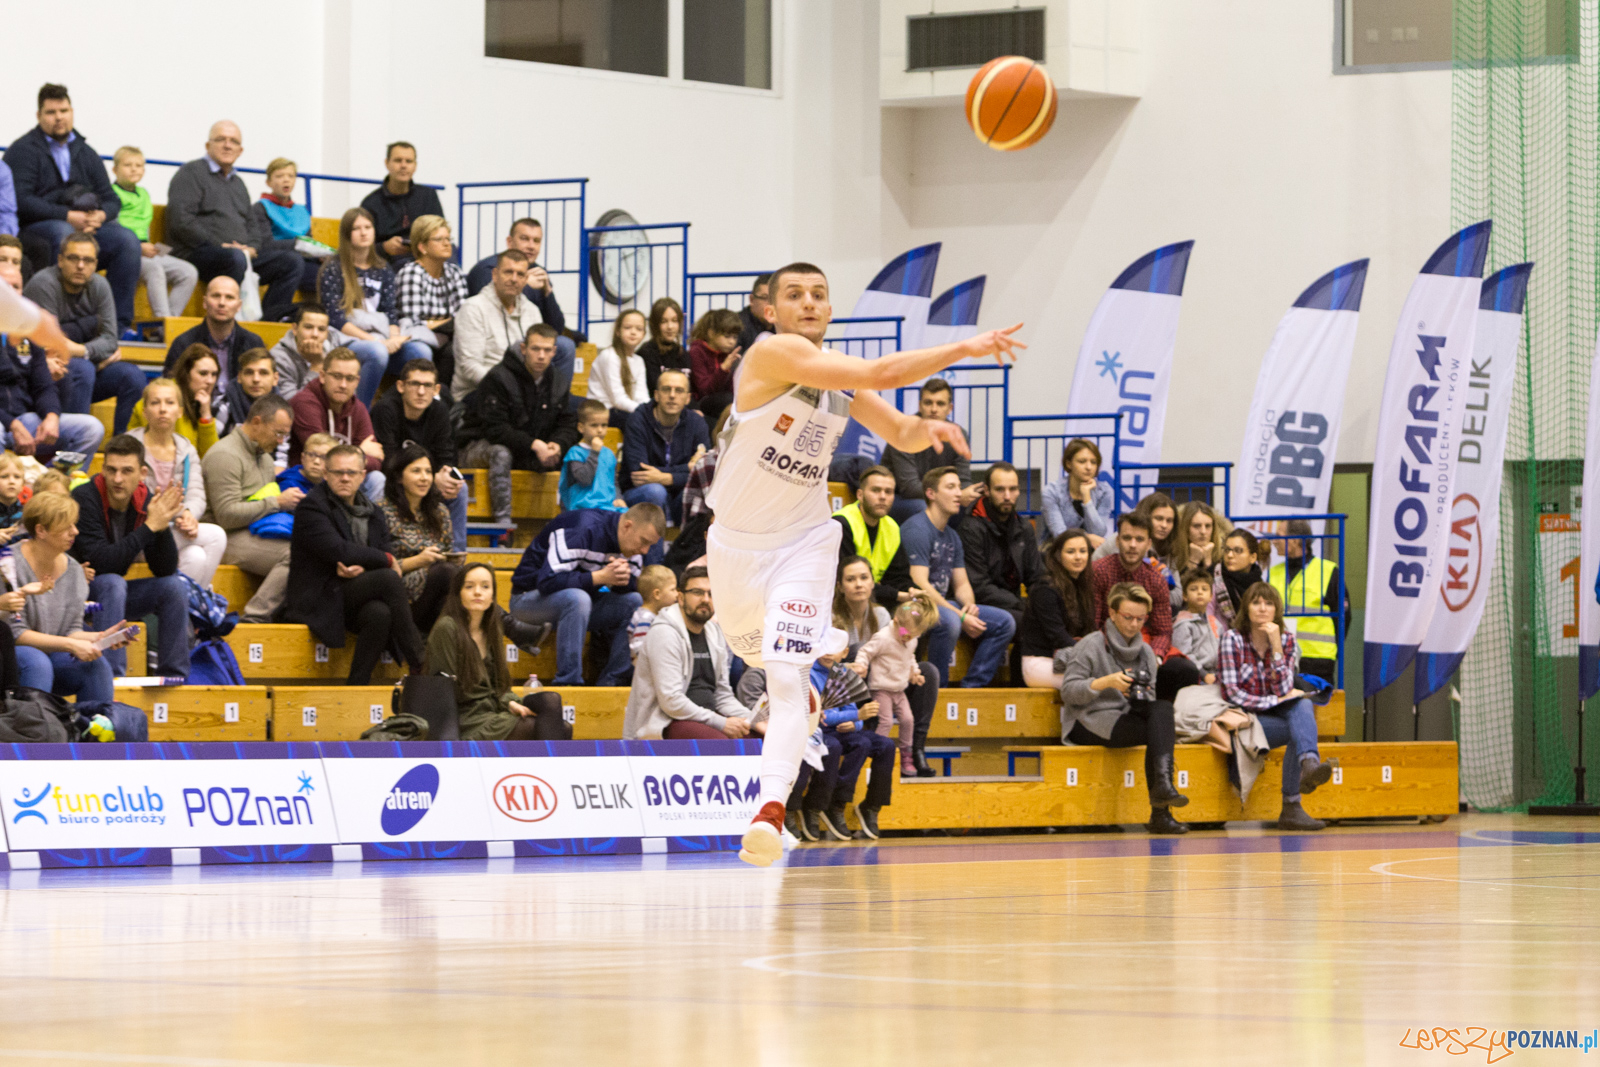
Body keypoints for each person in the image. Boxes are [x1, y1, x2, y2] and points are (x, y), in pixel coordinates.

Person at [703, 260, 1023, 866]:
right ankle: (809, 664)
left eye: (819, 295)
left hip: (802, 542)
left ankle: (768, 811)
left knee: (785, 674)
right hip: (736, 550)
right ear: (770, 310)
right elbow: (882, 369)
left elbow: (899, 431)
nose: (809, 303)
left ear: (830, 307)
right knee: (761, 661)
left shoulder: (838, 380)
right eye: (794, 294)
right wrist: (965, 346)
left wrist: (928, 427)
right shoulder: (771, 354)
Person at [4, 84, 142, 336]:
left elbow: (111, 198)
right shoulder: (22, 150)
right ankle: (55, 323)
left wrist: (100, 216)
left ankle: (119, 328)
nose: (59, 117)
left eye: (64, 110)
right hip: (37, 228)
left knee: (126, 240)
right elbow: (21, 200)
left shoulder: (86, 153)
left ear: (72, 112)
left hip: (86, 228)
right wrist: (67, 216)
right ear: (39, 116)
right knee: (63, 232)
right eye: (51, 112)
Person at [285, 443, 424, 685]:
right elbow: (340, 550)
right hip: (321, 595)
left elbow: (375, 550)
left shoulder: (373, 511)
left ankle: (356, 686)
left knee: (379, 614)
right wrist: (384, 560)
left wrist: (366, 563)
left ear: (362, 476)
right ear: (326, 474)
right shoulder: (312, 507)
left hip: (353, 594)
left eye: (351, 473)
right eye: (338, 473)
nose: (345, 478)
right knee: (389, 578)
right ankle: (420, 661)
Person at [9, 493, 146, 738]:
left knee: (95, 663)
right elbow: (15, 633)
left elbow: (70, 628)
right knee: (37, 662)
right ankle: (34, 742)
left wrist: (100, 637)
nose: (75, 532)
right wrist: (71, 644)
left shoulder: (73, 570)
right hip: (13, 654)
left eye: (74, 524)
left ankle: (94, 740)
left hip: (53, 652)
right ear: (41, 530)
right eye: (66, 527)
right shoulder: (8, 563)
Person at [1062, 582, 1189, 833]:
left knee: (1162, 710)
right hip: (1087, 719)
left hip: (1124, 716)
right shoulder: (1091, 645)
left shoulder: (1145, 652)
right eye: (1128, 617)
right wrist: (1105, 683)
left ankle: (1163, 785)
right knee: (1160, 732)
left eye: (1140, 619)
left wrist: (1138, 695)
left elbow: (1148, 696)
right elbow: (1068, 692)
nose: (1134, 624)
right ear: (1112, 613)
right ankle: (1160, 811)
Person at [69, 435, 191, 678]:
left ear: (142, 473)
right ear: (102, 470)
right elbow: (101, 563)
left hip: (115, 595)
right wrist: (149, 527)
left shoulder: (145, 500)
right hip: (80, 595)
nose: (117, 479)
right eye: (111, 470)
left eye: (127, 471)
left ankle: (175, 676)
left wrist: (161, 524)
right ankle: (111, 677)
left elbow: (164, 569)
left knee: (174, 586)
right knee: (113, 581)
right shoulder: (85, 497)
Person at [1219, 582, 1335, 831]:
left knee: (1302, 709)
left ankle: (1309, 766)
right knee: (1301, 724)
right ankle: (1293, 802)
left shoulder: (1286, 640)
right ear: (1246, 609)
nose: (1262, 609)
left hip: (1276, 714)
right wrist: (1273, 701)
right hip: (1246, 720)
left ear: (1276, 610)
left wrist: (1277, 648)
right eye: (1256, 603)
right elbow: (1232, 693)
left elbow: (1284, 688)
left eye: (1268, 603)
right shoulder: (1232, 639)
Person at [509, 503, 666, 686]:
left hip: (579, 607)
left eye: (650, 545)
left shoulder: (631, 549)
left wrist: (621, 580)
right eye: (644, 541)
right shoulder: (582, 529)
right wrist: (599, 577)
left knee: (634, 601)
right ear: (627, 526)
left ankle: (612, 681)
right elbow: (547, 582)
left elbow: (628, 589)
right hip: (528, 600)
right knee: (578, 599)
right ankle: (569, 682)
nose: (645, 551)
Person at [163, 121, 301, 322]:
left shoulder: (239, 184)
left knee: (291, 262)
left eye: (233, 141)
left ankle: (269, 322)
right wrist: (219, 245)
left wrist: (252, 247)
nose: (227, 145)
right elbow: (181, 221)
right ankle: (228, 324)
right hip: (197, 252)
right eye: (221, 139)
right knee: (234, 258)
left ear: (240, 150)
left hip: (240, 255)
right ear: (207, 145)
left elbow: (252, 224)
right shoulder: (190, 173)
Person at [903, 467, 1017, 688]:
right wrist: (959, 615)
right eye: (950, 487)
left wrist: (969, 607)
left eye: (958, 487)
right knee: (951, 620)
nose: (959, 493)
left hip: (943, 605)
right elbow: (920, 583)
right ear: (931, 494)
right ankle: (937, 690)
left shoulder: (952, 535)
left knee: (1004, 622)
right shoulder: (917, 529)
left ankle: (970, 688)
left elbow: (962, 583)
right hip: (915, 604)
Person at [22, 231, 146, 433]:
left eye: (87, 260)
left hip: (84, 366)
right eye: (73, 258)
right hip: (44, 375)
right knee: (83, 369)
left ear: (95, 264)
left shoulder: (100, 285)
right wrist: (96, 357)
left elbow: (110, 340)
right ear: (60, 260)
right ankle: (72, 450)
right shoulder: (43, 283)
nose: (81, 266)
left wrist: (81, 350)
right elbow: (53, 347)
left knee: (133, 377)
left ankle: (122, 450)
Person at [424, 563, 563, 741]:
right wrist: (503, 704)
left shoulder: (491, 629)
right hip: (465, 718)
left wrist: (509, 702)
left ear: (492, 597)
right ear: (458, 594)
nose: (477, 592)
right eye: (469, 586)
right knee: (543, 728)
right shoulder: (447, 627)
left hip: (492, 711)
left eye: (485, 586)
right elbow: (445, 690)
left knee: (553, 705)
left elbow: (499, 686)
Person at [457, 323, 578, 524]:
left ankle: (568, 524)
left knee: (577, 453)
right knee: (501, 453)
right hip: (478, 445)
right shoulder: (498, 377)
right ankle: (503, 527)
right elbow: (495, 429)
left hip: (527, 448)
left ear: (554, 352)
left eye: (547, 350)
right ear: (523, 349)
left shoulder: (559, 381)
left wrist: (557, 444)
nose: (541, 355)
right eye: (535, 349)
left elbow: (567, 423)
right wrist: (535, 444)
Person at [833, 555, 940, 776]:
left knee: (928, 671)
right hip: (851, 688)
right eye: (851, 579)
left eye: (864, 578)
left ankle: (915, 749)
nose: (859, 584)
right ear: (840, 587)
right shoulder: (833, 617)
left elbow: (901, 651)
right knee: (857, 651)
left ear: (873, 583)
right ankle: (869, 734)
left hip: (888, 681)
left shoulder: (882, 614)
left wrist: (914, 673)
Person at [622, 565, 751, 740]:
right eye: (697, 592)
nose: (706, 599)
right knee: (719, 742)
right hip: (665, 722)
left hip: (707, 718)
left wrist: (752, 719)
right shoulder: (664, 633)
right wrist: (721, 723)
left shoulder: (715, 633)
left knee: (763, 735)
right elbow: (671, 702)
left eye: (711, 594)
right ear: (681, 598)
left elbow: (722, 694)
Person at [317, 207, 429, 405]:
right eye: (356, 228)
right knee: (376, 353)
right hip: (348, 339)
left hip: (382, 336)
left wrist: (393, 339)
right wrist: (377, 342)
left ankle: (409, 413)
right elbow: (335, 318)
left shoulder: (383, 268)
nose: (363, 232)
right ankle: (359, 414)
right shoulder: (333, 268)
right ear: (346, 234)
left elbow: (390, 312)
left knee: (421, 352)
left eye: (368, 227)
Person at [203, 393, 299, 621]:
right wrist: (276, 502)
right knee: (296, 555)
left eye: (285, 436)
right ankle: (254, 618)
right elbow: (226, 516)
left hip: (255, 530)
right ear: (256, 422)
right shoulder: (224, 455)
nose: (281, 442)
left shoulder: (264, 457)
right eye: (278, 433)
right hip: (224, 536)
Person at [126, 378, 228, 586]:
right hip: (138, 533)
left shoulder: (187, 449)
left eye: (170, 403)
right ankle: (197, 605)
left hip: (174, 531)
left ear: (180, 411)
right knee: (216, 535)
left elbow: (197, 493)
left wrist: (189, 514)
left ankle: (177, 613)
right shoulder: (129, 446)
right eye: (155, 403)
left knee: (196, 557)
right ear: (144, 411)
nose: (163, 409)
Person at [1, 263, 104, 465]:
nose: (12, 294)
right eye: (6, 287)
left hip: (25, 420)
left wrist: (51, 416)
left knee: (91, 429)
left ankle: (52, 483)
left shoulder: (28, 334)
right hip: (4, 423)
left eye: (16, 287)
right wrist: (11, 424)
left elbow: (43, 385)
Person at [1091, 511, 1200, 700]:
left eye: (1139, 539)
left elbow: (1163, 631)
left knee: (1185, 670)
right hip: (1106, 645)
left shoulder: (1156, 578)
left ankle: (1163, 716)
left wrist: (1154, 658)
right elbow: (1093, 624)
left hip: (1144, 645)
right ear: (1117, 541)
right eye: (1127, 538)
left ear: (1149, 544)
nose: (1133, 545)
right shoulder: (1098, 571)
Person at [370, 359, 468, 552]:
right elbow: (387, 462)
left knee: (460, 489)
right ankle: (386, 550)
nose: (421, 392)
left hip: (425, 481)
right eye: (415, 384)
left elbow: (447, 455)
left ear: (436, 389)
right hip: (395, 483)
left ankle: (455, 556)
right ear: (400, 386)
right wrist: (431, 480)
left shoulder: (439, 411)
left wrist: (445, 475)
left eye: (427, 385)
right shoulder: (385, 410)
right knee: (377, 479)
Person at [452, 249, 574, 403]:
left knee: (573, 407)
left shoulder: (532, 311)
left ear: (525, 280)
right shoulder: (473, 308)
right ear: (495, 275)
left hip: (523, 393)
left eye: (520, 274)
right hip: (480, 393)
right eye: (508, 272)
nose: (514, 279)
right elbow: (470, 368)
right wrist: (511, 388)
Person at [812, 631, 897, 840]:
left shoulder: (843, 673)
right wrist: (856, 715)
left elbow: (857, 716)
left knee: (886, 745)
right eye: (824, 646)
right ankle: (837, 803)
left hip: (844, 729)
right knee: (854, 745)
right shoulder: (809, 674)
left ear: (845, 652)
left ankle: (872, 805)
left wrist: (856, 722)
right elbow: (820, 716)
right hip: (820, 731)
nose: (829, 653)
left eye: (835, 648)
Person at [852, 590, 937, 777]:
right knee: (886, 721)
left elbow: (910, 657)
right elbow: (865, 651)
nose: (908, 639)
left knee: (908, 719)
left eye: (913, 636)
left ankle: (907, 755)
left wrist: (914, 672)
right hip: (881, 689)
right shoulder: (884, 637)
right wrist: (862, 665)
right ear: (897, 621)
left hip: (898, 689)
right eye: (906, 634)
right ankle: (878, 751)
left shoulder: (910, 638)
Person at [378, 442, 458, 634]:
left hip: (436, 592)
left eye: (428, 472)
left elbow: (447, 550)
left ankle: (441, 656)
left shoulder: (440, 512)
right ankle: (508, 625)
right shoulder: (381, 512)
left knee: (454, 598)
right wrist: (419, 561)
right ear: (399, 477)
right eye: (416, 471)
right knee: (448, 573)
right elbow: (378, 567)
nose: (424, 478)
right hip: (398, 596)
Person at [110, 146, 199, 319]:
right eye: (128, 165)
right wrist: (138, 247)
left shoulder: (144, 194)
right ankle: (162, 318)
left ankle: (168, 323)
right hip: (126, 251)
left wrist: (152, 247)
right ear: (115, 170)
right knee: (155, 269)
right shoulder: (111, 194)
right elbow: (111, 229)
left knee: (188, 271)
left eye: (139, 165)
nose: (134, 169)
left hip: (147, 248)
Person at [958, 461, 1045, 635]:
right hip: (981, 604)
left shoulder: (1024, 527)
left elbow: (1036, 576)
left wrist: (1042, 602)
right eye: (1000, 489)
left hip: (1013, 602)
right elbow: (979, 586)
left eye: (1013, 489)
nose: (1007, 496)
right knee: (1030, 624)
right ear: (987, 491)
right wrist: (1022, 604)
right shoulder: (971, 527)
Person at [288, 348, 385, 502]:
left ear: (357, 382)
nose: (343, 384)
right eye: (337, 376)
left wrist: (356, 457)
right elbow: (321, 456)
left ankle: (362, 524)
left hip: (342, 479)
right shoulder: (304, 403)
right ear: (322, 376)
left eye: (350, 378)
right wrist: (359, 451)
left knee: (376, 479)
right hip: (308, 483)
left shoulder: (358, 408)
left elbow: (376, 459)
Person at [883, 377, 982, 524]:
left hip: (936, 496)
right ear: (920, 405)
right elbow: (909, 488)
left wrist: (973, 493)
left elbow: (963, 479)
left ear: (950, 408)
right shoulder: (906, 431)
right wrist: (956, 496)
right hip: (899, 499)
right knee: (924, 508)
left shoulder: (957, 433)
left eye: (940, 404)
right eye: (928, 402)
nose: (934, 409)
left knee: (977, 506)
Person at [620, 368, 710, 524]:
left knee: (700, 492)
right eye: (667, 389)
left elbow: (703, 471)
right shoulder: (638, 419)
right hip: (640, 493)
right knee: (655, 491)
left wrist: (667, 478)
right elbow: (640, 473)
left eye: (679, 390)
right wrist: (687, 468)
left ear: (688, 398)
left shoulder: (697, 422)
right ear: (656, 395)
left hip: (679, 495)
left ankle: (686, 547)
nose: (672, 395)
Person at [1268, 518, 1347, 685]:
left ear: (1295, 540)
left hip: (1317, 659)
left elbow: (1343, 617)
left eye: (1279, 536)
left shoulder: (1328, 571)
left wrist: (1333, 651)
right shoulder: (1273, 573)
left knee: (1321, 709)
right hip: (1282, 655)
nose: (1274, 541)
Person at [1019, 529, 1096, 690]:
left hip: (1069, 658)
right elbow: (1058, 636)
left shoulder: (1083, 587)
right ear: (1058, 555)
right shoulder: (1045, 589)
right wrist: (1092, 655)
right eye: (1070, 552)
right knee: (1097, 684)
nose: (1078, 557)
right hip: (1039, 662)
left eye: (1083, 551)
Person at [394, 216, 467, 385]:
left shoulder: (455, 273)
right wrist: (447, 322)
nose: (447, 244)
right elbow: (413, 323)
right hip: (418, 340)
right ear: (422, 247)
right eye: (439, 239)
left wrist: (436, 322)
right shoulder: (411, 273)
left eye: (448, 239)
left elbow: (463, 317)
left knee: (458, 349)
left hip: (449, 339)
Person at [465, 217, 569, 334]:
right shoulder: (489, 269)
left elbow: (556, 328)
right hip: (493, 335)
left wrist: (547, 292)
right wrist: (526, 284)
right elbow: (495, 313)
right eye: (524, 239)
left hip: (530, 338)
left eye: (536, 241)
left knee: (565, 344)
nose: (531, 246)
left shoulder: (538, 272)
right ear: (510, 242)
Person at [832, 464, 914, 611]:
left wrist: (912, 591)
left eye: (888, 492)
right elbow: (845, 583)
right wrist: (897, 595)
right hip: (842, 602)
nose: (883, 497)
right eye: (876, 490)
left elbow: (898, 576)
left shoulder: (892, 527)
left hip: (874, 597)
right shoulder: (842, 523)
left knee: (915, 612)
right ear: (860, 495)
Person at [162, 276, 267, 391]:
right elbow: (170, 389)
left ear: (238, 306)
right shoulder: (184, 343)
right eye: (216, 296)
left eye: (229, 297)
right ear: (205, 302)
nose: (222, 303)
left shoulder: (253, 343)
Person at [248, 157, 326, 293]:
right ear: (269, 182)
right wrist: (298, 244)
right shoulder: (260, 208)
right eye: (279, 176)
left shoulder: (302, 211)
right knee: (321, 277)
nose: (286, 180)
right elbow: (264, 245)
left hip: (304, 259)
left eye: (291, 176)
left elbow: (309, 242)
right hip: (278, 261)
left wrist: (321, 255)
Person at [359, 142, 444, 264]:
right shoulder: (371, 203)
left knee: (450, 257)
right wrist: (384, 247)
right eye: (398, 160)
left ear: (415, 166)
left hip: (427, 255)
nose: (403, 166)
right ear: (387, 163)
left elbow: (440, 230)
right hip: (390, 261)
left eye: (408, 161)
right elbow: (361, 245)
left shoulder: (428, 195)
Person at [134, 344, 219, 455]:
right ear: (186, 374)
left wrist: (206, 416)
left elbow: (211, 458)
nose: (210, 381)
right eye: (203, 373)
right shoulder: (160, 397)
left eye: (214, 374)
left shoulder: (202, 403)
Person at [1041, 437, 1113, 547]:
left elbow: (1098, 533)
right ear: (1069, 464)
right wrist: (1088, 538)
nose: (1089, 467)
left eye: (1093, 462)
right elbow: (1059, 534)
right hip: (1057, 550)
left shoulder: (1104, 491)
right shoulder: (1051, 491)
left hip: (1091, 551)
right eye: (1082, 461)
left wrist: (1087, 498)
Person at [560, 399, 626, 513]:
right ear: (581, 427)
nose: (600, 430)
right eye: (594, 425)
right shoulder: (575, 453)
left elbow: (613, 482)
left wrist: (618, 498)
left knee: (627, 517)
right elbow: (585, 479)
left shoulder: (609, 454)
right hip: (582, 507)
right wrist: (594, 453)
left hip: (607, 506)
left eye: (604, 425)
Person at [588, 309, 649, 426]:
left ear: (644, 334)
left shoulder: (639, 360)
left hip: (624, 410)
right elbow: (617, 399)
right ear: (617, 331)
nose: (633, 332)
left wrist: (650, 411)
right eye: (627, 328)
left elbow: (642, 395)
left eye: (639, 329)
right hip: (603, 410)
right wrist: (645, 412)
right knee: (638, 422)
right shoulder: (609, 356)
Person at [1168, 501, 1232, 609]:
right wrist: (1193, 562)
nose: (1203, 531)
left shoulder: (1226, 553)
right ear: (1186, 529)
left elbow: (1225, 599)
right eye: (1196, 526)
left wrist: (1209, 564)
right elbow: (1176, 599)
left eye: (1208, 526)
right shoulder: (1172, 553)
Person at [688, 307, 742, 428]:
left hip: (721, 402)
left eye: (734, 337)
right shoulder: (697, 351)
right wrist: (723, 369)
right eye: (727, 336)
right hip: (702, 401)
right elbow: (704, 389)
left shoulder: (727, 354)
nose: (732, 342)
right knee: (728, 399)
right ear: (711, 333)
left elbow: (732, 388)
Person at [270, 302, 334, 398]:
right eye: (308, 327)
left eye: (321, 329)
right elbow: (292, 402)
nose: (315, 334)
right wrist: (316, 366)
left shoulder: (330, 353)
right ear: (295, 329)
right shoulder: (278, 357)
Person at [213, 348, 279, 440]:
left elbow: (282, 451)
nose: (256, 379)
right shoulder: (223, 406)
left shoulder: (282, 410)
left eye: (263, 373)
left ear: (275, 379)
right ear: (239, 377)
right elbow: (212, 448)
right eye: (249, 373)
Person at [1172, 568, 1222, 685]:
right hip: (1197, 677)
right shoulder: (1183, 623)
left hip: (1217, 673)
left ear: (1210, 596)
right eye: (1194, 589)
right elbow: (1184, 655)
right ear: (1185, 595)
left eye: (1204, 589)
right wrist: (1204, 675)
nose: (1199, 592)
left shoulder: (1215, 622)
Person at [1213, 527, 1265, 630]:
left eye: (1238, 551)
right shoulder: (1213, 581)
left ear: (1252, 557)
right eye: (1227, 550)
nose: (1230, 555)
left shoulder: (1260, 586)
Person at [637, 296, 690, 394]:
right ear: (655, 324)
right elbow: (654, 389)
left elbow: (690, 389)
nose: (670, 327)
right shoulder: (647, 353)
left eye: (674, 321)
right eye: (664, 321)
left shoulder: (682, 353)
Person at [628, 564, 678, 661]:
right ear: (657, 594)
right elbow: (638, 648)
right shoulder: (645, 618)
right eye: (673, 589)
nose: (676, 594)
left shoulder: (651, 616)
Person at [738, 273, 772, 353]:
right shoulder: (737, 325)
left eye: (774, 298)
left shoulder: (785, 324)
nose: (771, 304)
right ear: (752, 299)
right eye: (765, 298)